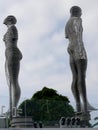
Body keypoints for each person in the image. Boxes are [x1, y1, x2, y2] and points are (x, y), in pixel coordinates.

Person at [65, 6, 89, 115]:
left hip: (70, 50)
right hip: (79, 50)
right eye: (81, 11)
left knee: (75, 77)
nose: (82, 14)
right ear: (77, 12)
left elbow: (68, 37)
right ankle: (85, 105)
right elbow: (78, 36)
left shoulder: (67, 23)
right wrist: (80, 50)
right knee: (81, 76)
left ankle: (78, 106)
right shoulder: (77, 20)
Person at [3, 15, 22, 118]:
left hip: (12, 53)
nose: (4, 19)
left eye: (6, 18)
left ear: (9, 20)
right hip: (9, 54)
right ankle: (12, 109)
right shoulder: (10, 29)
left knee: (14, 81)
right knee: (11, 82)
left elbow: (12, 43)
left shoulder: (13, 28)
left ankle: (14, 108)